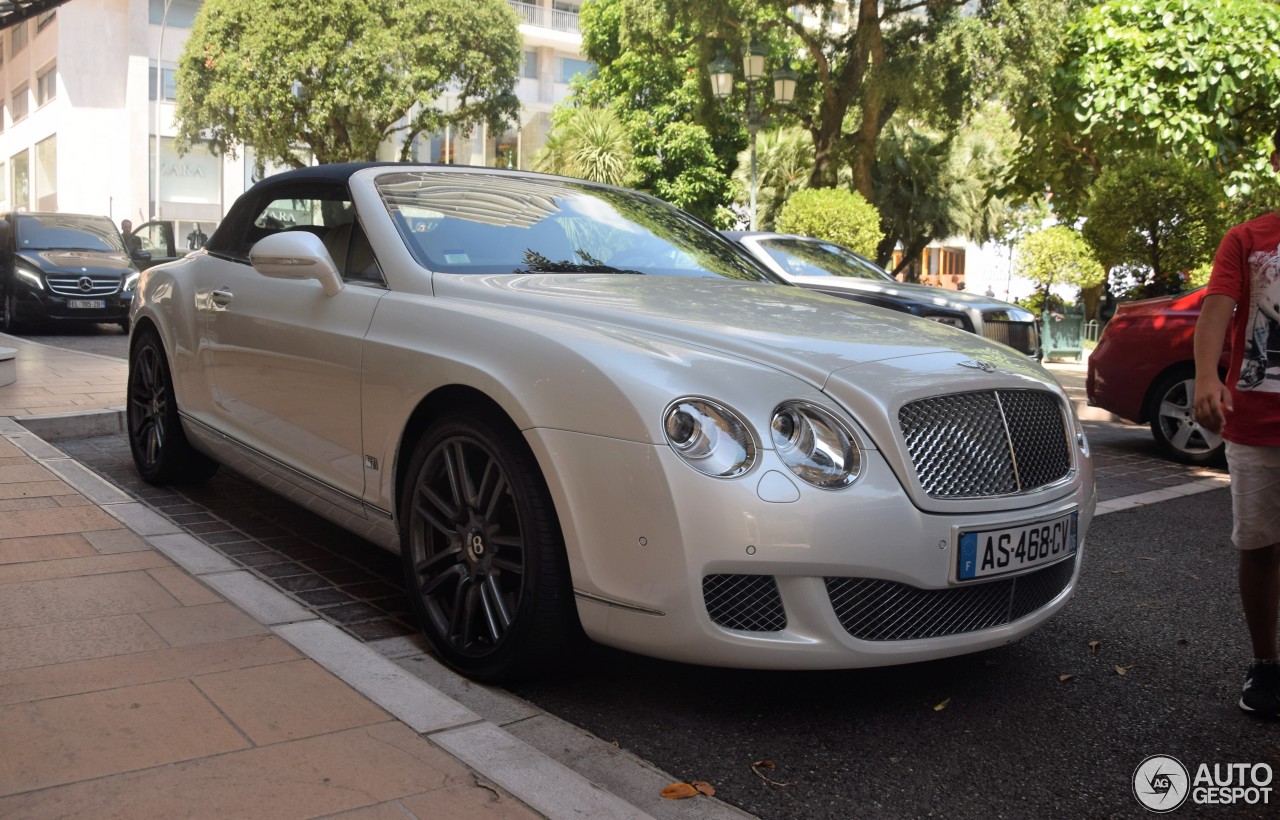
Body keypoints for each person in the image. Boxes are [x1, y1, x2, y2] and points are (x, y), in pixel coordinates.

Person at [1193, 128, 1280, 718]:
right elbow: (1216, 309)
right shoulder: (1247, 239)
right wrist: (1205, 375)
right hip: (1256, 424)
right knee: (1259, 546)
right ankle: (1266, 666)